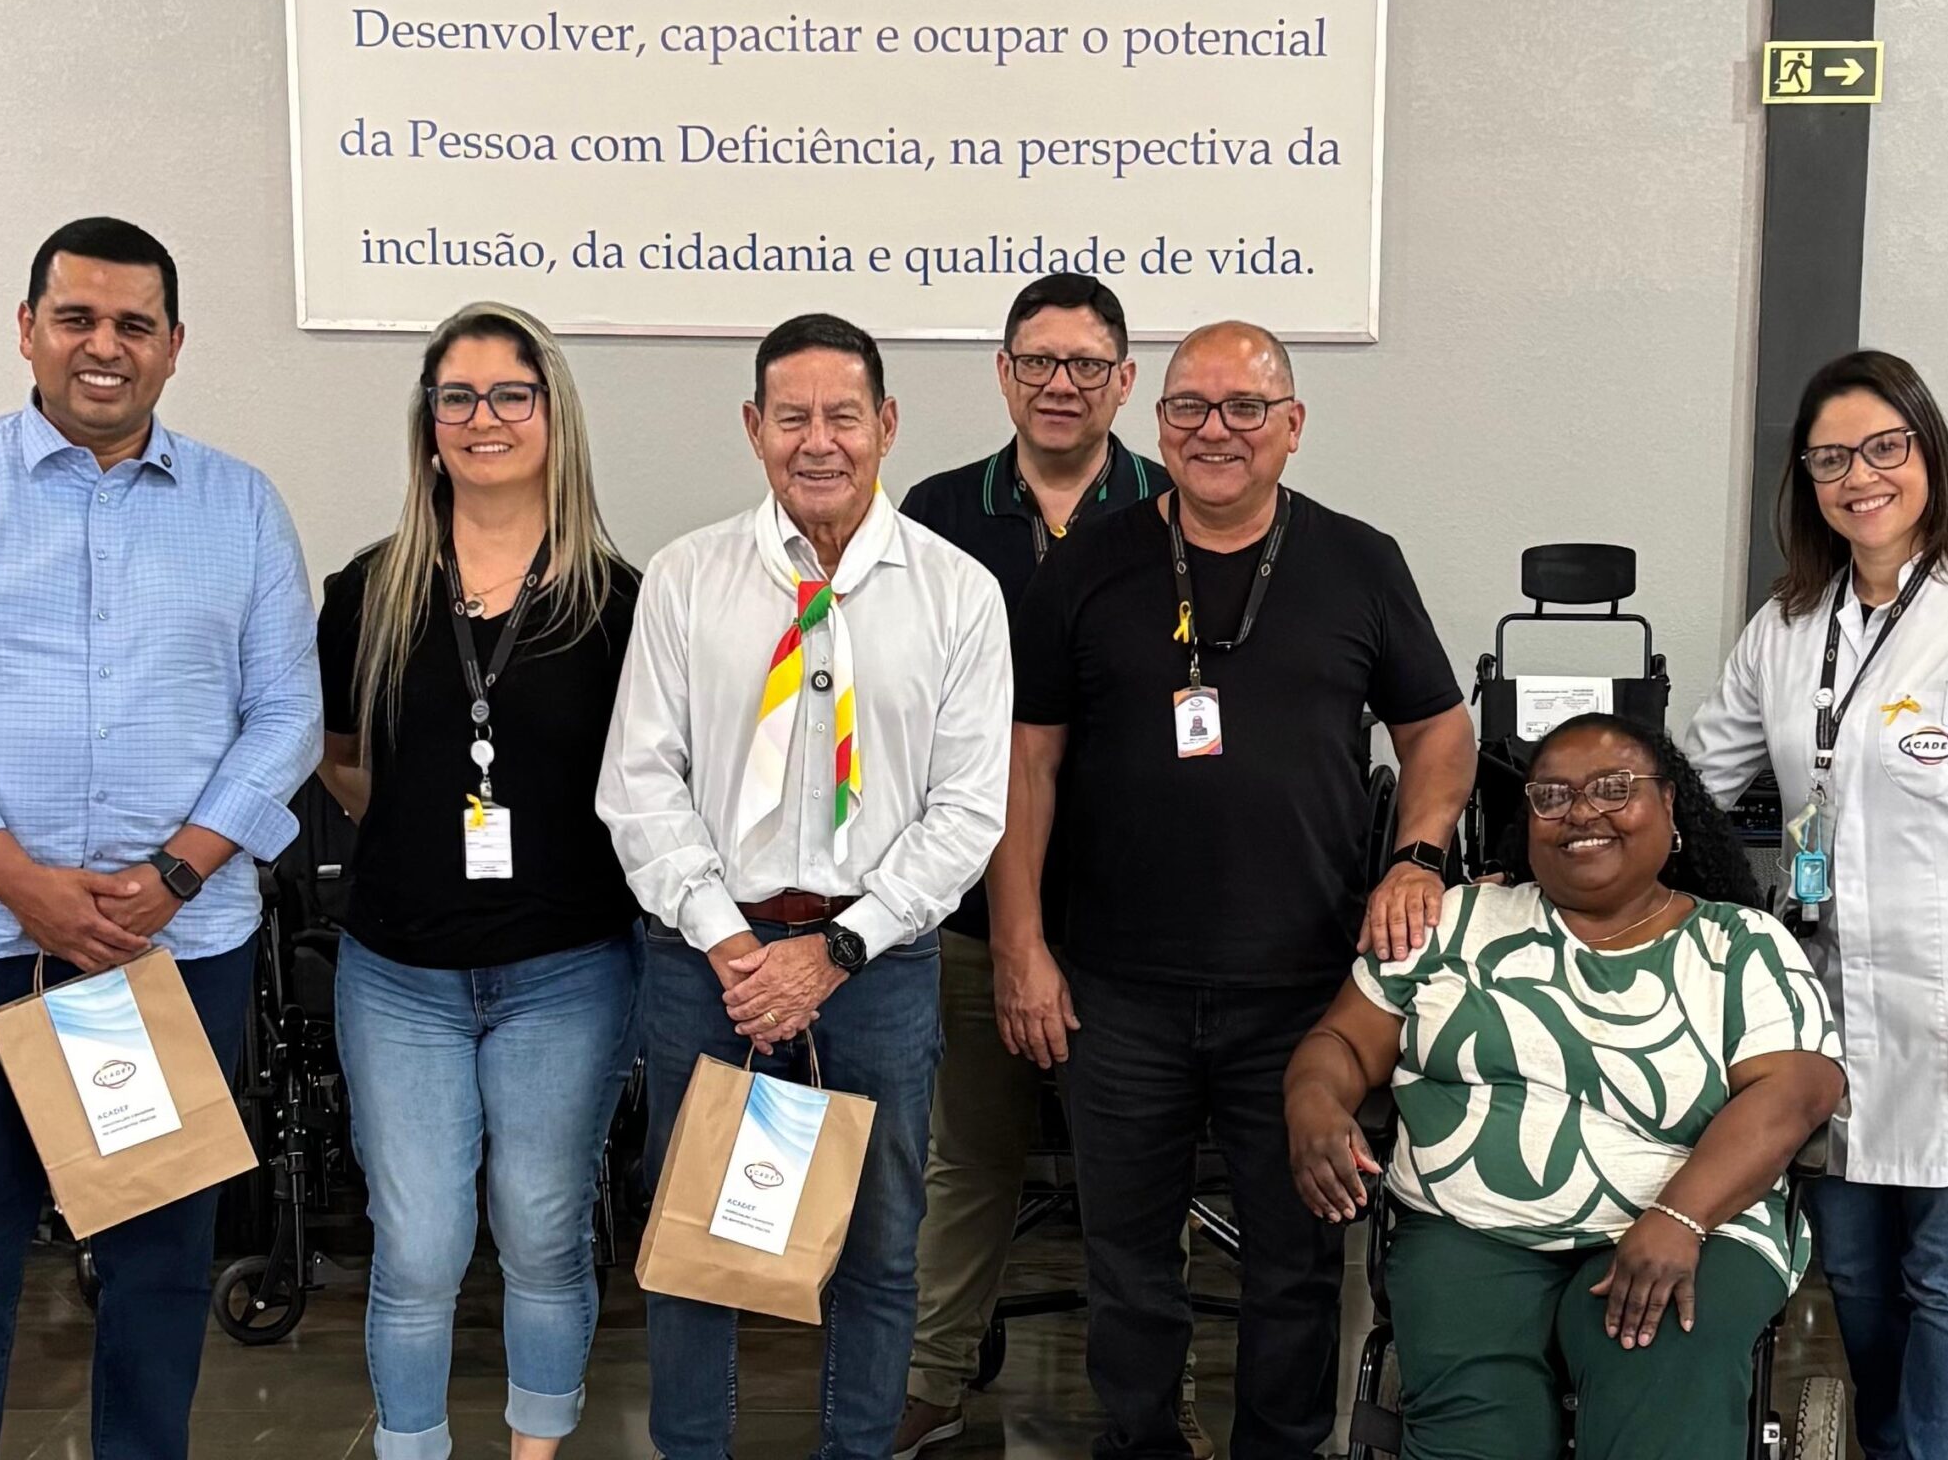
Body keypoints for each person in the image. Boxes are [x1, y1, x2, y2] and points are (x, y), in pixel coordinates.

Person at [0, 216, 323, 1460]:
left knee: (157, 1264)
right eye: (76, 317)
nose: (103, 345)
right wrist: (22, 883)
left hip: (163, 953)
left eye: (133, 323)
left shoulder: (239, 503)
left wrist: (173, 875)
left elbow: (287, 716)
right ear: (27, 330)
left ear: (173, 344)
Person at [992, 319, 1478, 1460]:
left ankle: (1280, 1445)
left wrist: (1416, 856)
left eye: (1245, 407)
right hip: (1115, 988)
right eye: (1189, 407)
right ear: (1156, 421)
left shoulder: (1360, 561)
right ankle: (1140, 1442)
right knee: (1125, 1263)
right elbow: (1026, 763)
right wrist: (1020, 942)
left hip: (1304, 993)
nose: (1215, 430)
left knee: (1297, 1261)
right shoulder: (1086, 566)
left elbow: (1440, 732)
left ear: (1292, 426)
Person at [597, 312, 1012, 1460]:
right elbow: (639, 779)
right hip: (710, 964)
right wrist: (729, 940)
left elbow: (968, 808)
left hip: (874, 966)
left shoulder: (958, 592)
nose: (817, 440)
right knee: (697, 1247)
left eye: (843, 415)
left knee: (879, 1245)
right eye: (792, 417)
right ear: (753, 427)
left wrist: (835, 950)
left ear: (886, 423)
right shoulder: (687, 578)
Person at [1688, 348, 1948, 1460]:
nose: (1858, 476)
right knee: (1854, 1269)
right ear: (1806, 478)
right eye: (1830, 459)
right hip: (1821, 1006)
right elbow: (1696, 779)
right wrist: (1571, 834)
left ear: (1927, 454)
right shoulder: (1785, 626)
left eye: (1883, 447)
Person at [1285, 715, 1844, 1460]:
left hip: (1696, 1225)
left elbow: (1797, 1092)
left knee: (1657, 1387)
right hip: (1468, 1229)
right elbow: (1342, 1043)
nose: (1581, 812)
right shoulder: (1451, 922)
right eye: (1552, 795)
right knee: (1479, 1436)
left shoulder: (1740, 944)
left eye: (1613, 789)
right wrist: (1312, 1102)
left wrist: (1678, 1218)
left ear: (1669, 805)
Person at [314, 302, 642, 1460]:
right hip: (398, 972)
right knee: (417, 1245)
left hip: (567, 970)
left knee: (543, 1230)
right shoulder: (367, 590)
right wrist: (422, 834)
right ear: (429, 420)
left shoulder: (618, 602)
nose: (482, 416)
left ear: (554, 416)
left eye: (511, 393)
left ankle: (535, 1446)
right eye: (457, 395)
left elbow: (648, 788)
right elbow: (342, 755)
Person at [892, 274, 1208, 1460]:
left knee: (1142, 1180)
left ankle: (1158, 1399)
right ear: (1003, 373)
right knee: (965, 1163)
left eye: (1084, 364)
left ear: (1124, 380)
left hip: (1134, 919)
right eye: (1037, 361)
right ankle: (929, 1382)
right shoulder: (936, 511)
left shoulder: (1180, 505)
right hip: (971, 908)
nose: (1059, 383)